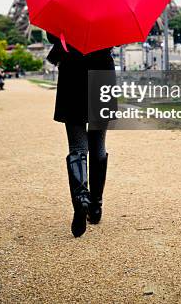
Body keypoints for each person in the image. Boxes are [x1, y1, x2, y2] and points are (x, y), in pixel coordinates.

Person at [46, 32, 116, 238]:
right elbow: (117, 38)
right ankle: (95, 206)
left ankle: (80, 199)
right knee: (98, 144)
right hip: (102, 72)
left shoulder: (63, 5)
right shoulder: (110, 4)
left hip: (71, 71)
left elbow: (52, 37)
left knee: (77, 147)